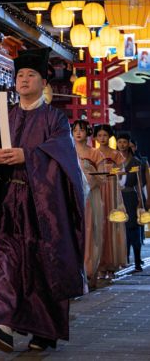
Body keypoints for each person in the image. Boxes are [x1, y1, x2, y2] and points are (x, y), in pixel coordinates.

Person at [0, 48, 85, 353]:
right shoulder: (4, 116)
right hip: (7, 204)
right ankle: (0, 324)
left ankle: (44, 330)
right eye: (20, 76)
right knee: (5, 261)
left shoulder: (55, 119)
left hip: (43, 207)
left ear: (44, 83)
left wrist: (29, 156)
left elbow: (63, 156)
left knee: (42, 266)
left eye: (31, 75)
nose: (24, 80)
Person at [72, 120, 104, 288]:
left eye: (82, 130)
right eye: (75, 130)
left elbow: (103, 177)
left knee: (90, 231)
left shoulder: (95, 154)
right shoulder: (68, 151)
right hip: (72, 197)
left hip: (90, 196)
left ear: (88, 133)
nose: (78, 133)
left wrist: (88, 182)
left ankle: (89, 270)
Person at [94, 124, 127, 278]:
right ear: (95, 137)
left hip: (112, 191)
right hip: (98, 190)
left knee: (112, 224)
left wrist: (115, 173)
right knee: (98, 225)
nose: (102, 138)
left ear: (110, 137)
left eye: (105, 135)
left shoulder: (116, 154)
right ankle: (99, 265)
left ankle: (112, 265)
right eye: (99, 135)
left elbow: (122, 173)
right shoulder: (93, 153)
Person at [117, 133, 144, 272]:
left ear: (128, 144)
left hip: (131, 197)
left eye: (124, 142)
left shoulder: (136, 162)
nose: (122, 144)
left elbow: (139, 184)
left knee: (133, 229)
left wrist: (140, 201)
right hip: (117, 197)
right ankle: (124, 259)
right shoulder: (114, 162)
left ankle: (138, 262)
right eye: (119, 142)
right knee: (121, 230)